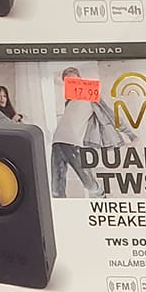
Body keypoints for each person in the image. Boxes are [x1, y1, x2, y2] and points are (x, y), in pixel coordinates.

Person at [51, 67, 114, 198]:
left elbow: (108, 114)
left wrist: (130, 135)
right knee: (57, 188)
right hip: (57, 141)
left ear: (79, 79)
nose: (70, 82)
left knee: (89, 182)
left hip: (73, 142)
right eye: (67, 81)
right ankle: (61, 209)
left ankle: (102, 195)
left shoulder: (90, 94)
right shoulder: (68, 101)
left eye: (73, 79)